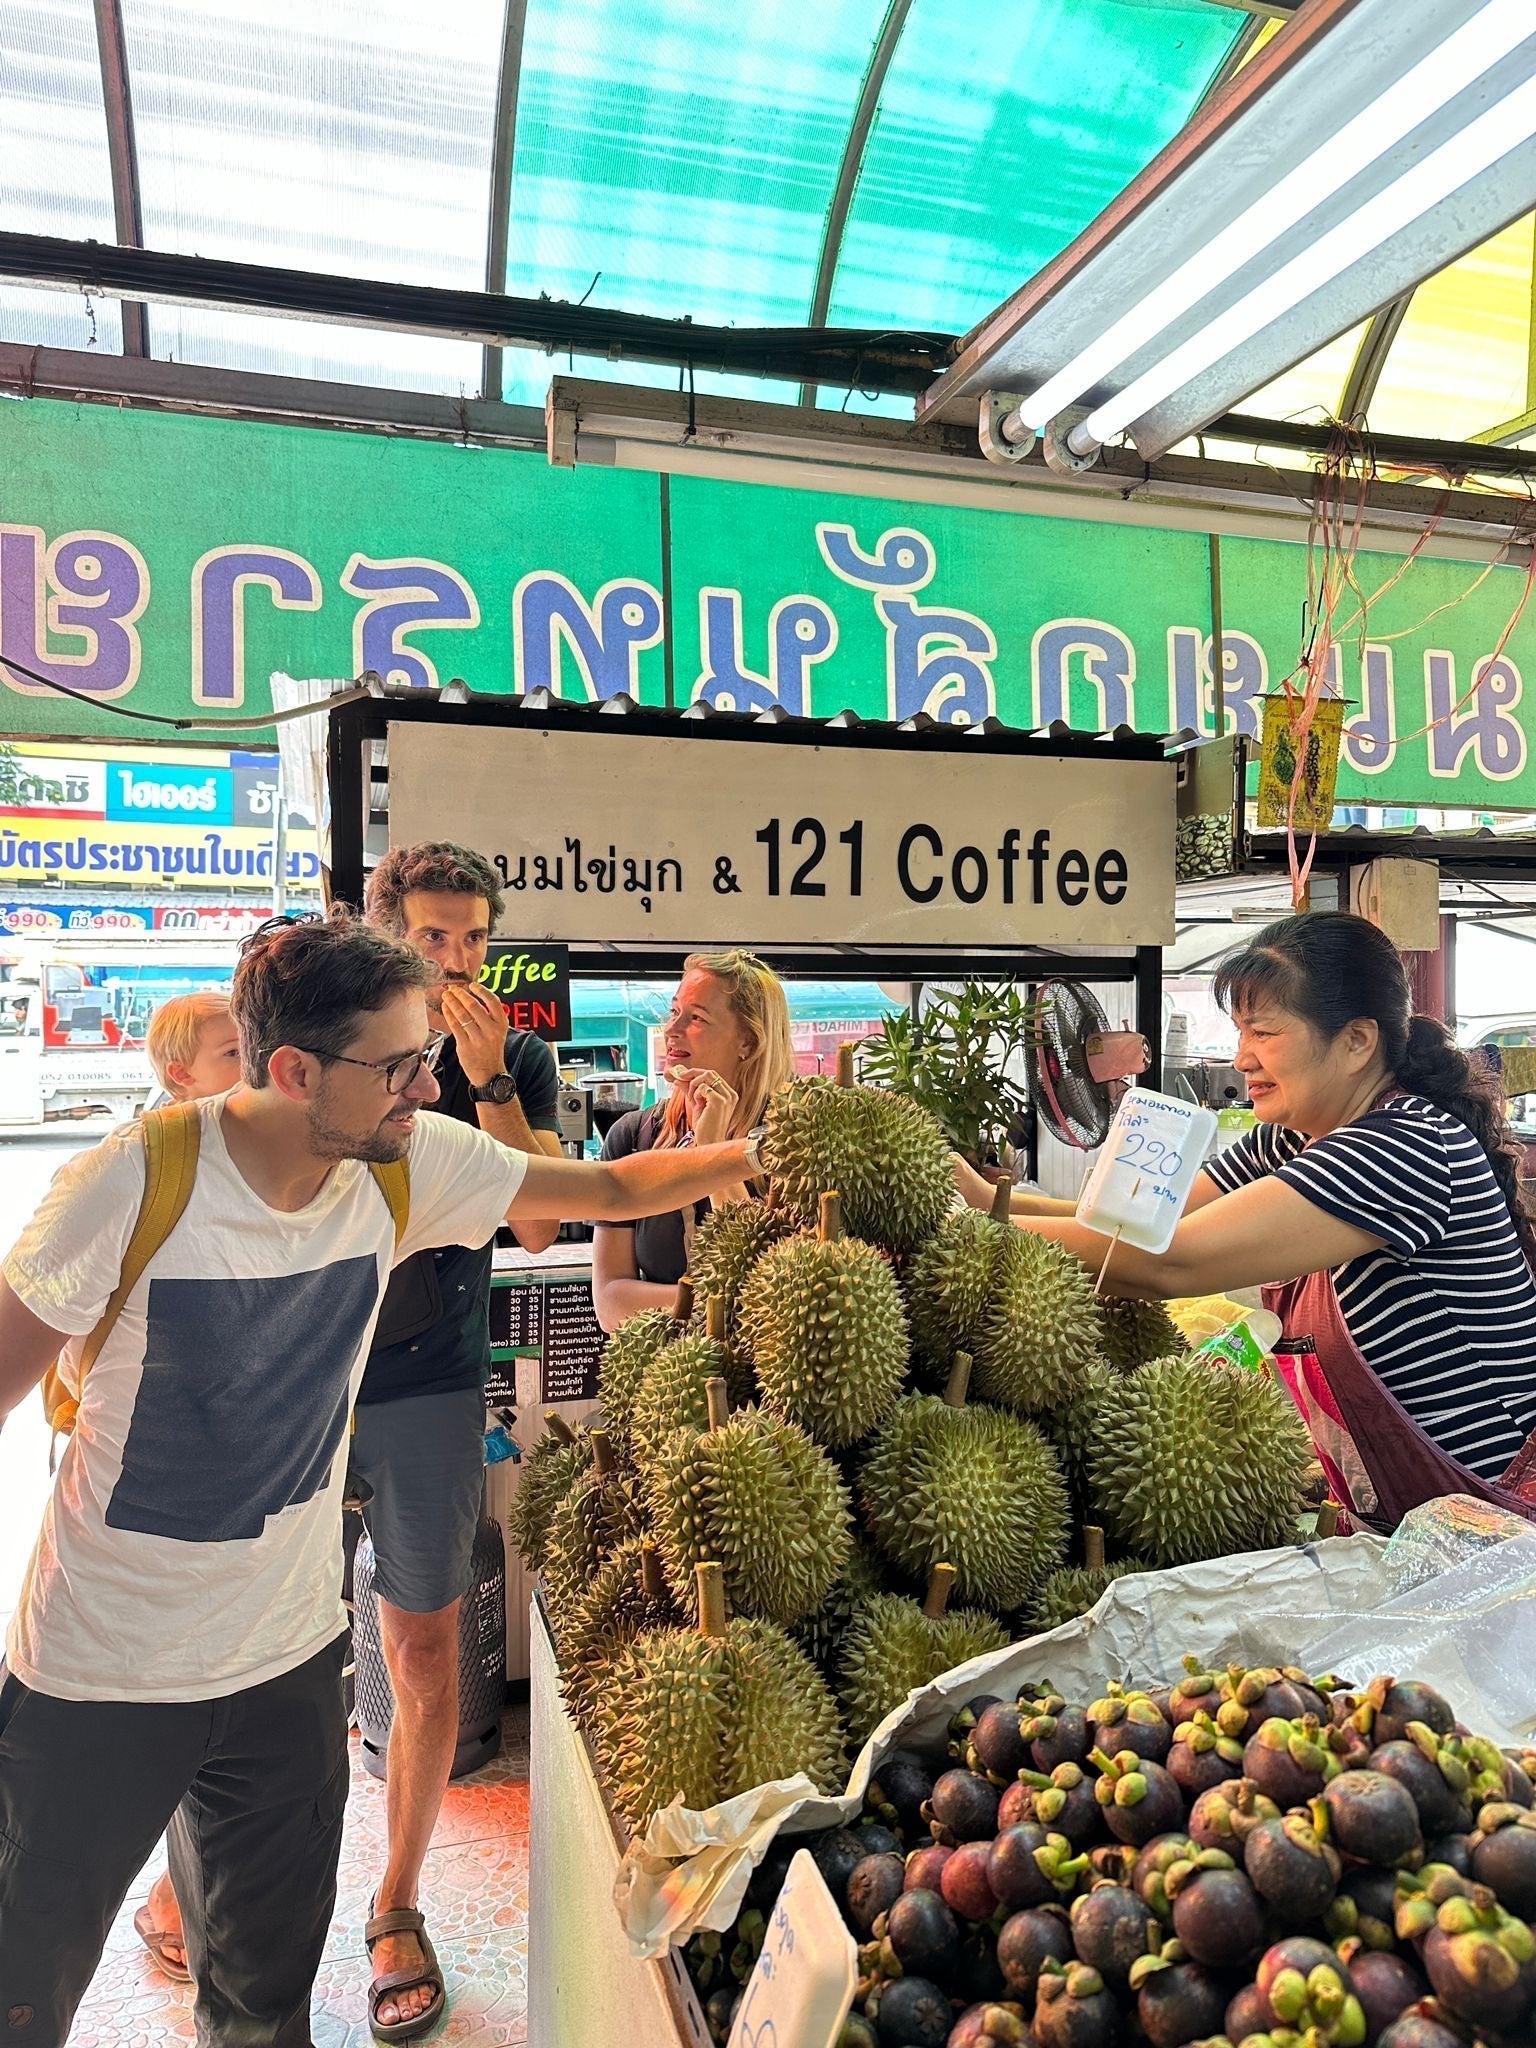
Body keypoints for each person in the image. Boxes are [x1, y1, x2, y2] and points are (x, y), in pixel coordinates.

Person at [0, 907, 758, 2048]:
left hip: (284, 1669)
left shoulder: (406, 1165)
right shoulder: (131, 1181)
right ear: (295, 1069)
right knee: (21, 1993)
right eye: (399, 1064)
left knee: (263, 2008)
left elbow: (599, 1194)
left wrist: (759, 1151)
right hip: (98, 1676)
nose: (426, 1084)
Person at [132, 845, 567, 2034]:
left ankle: (396, 1902)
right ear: (383, 931)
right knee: (255, 1646)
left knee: (424, 1651)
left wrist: (482, 1079)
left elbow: (537, 1226)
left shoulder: (507, 1056)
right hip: (296, 1378)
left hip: (429, 1386)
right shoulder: (325, 1038)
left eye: (476, 936)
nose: (461, 957)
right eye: (435, 935)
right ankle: (197, 1879)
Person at [965, 911, 1536, 1527]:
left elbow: (1171, 1258)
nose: (1240, 1059)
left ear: (1357, 1041)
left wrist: (968, 1230)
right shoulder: (1297, 1136)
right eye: (1240, 1032)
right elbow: (1128, 1216)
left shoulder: (1406, 1148)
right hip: (1405, 1520)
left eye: (1263, 1032)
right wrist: (975, 1199)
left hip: (1497, 1531)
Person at [592, 949, 794, 1331]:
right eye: (674, 1012)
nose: (671, 1030)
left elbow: (781, 1293)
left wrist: (714, 1153)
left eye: (696, 1018)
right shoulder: (634, 1137)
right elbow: (610, 1302)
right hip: (663, 1382)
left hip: (763, 1382)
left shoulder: (794, 1143)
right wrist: (723, 1302)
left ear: (748, 1042)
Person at [145, 989, 242, 1104]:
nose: (256, 1060)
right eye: (233, 1053)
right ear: (182, 1073)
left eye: (253, 1048)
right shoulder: (174, 1122)